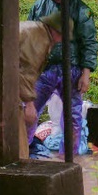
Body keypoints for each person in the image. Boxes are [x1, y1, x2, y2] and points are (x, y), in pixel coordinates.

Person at [26, 0, 98, 156]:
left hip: (71, 70)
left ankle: (70, 158)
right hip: (44, 69)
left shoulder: (81, 10)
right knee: (28, 111)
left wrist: (86, 73)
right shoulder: (39, 7)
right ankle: (23, 150)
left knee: (72, 118)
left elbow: (89, 42)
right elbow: (30, 40)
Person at [20, 12, 70, 147]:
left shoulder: (38, 32)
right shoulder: (38, 41)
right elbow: (25, 71)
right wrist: (29, 103)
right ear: (56, 31)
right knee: (25, 120)